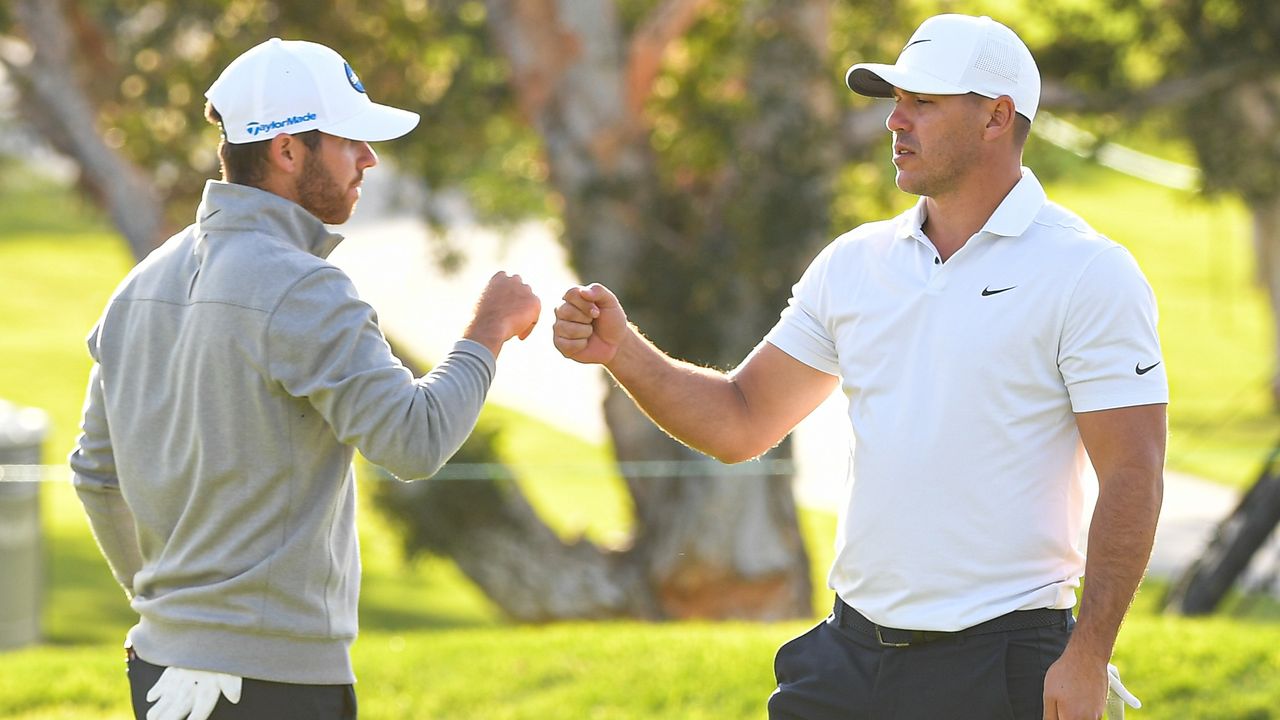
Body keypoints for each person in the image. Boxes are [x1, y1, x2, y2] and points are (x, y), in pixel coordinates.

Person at [553, 13, 1166, 720]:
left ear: (997, 117)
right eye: (894, 101)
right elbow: (741, 421)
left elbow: (1134, 471)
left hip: (998, 665)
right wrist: (624, 352)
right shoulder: (855, 263)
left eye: (923, 104)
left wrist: (1087, 655)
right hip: (845, 663)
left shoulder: (1088, 272)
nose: (894, 122)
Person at [69, 38, 541, 720]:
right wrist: (488, 330)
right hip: (274, 687)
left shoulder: (139, 286)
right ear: (288, 150)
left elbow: (95, 474)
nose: (369, 160)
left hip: (160, 673)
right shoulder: (303, 286)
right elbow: (415, 440)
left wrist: (169, 610)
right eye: (351, 141)